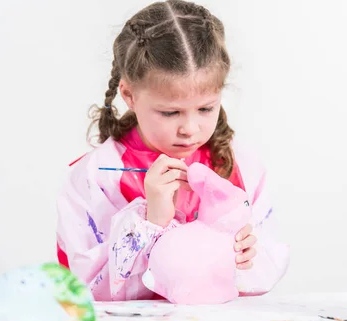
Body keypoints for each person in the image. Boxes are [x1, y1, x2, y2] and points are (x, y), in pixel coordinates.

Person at [56, 0, 289, 301]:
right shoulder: (95, 177)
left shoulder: (237, 165)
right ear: (129, 94)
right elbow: (84, 288)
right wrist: (151, 223)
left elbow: (268, 263)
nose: (190, 129)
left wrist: (244, 256)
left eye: (206, 108)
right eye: (170, 113)